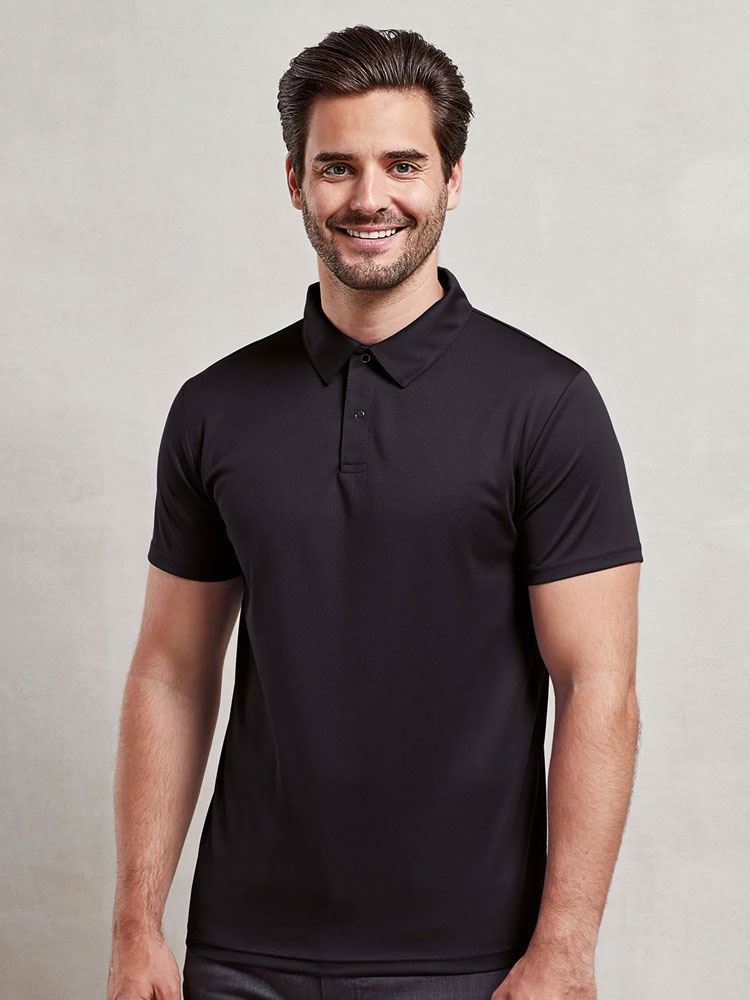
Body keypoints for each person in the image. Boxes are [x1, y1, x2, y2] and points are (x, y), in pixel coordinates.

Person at [107, 24, 644, 1000]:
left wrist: (564, 950)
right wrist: (136, 925)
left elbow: (598, 685)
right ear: (295, 181)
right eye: (337, 167)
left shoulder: (546, 403)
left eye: (403, 164)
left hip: (472, 963)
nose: (369, 197)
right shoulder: (216, 408)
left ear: (451, 178)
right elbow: (171, 674)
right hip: (240, 957)